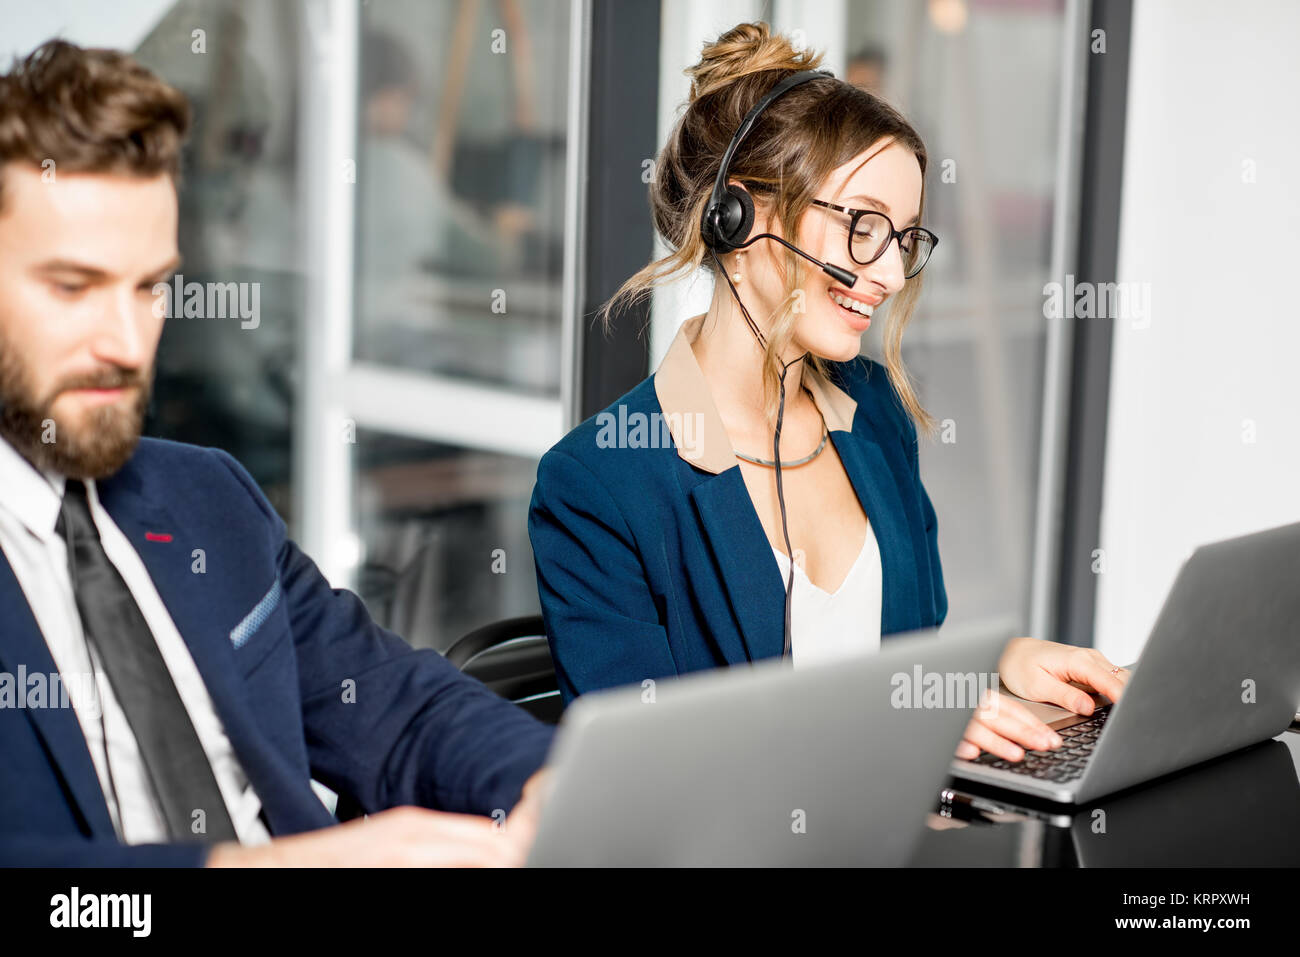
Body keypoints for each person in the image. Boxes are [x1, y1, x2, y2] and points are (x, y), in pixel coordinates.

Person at [0, 40, 552, 867]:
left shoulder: (204, 498)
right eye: (74, 287)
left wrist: (550, 779)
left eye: (150, 287)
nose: (125, 342)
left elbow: (396, 706)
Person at [528, 22, 1129, 762]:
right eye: (863, 228)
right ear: (741, 217)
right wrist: (892, 730)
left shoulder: (873, 414)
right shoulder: (599, 483)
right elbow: (648, 775)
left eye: (904, 240)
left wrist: (991, 666)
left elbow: (897, 659)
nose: (885, 274)